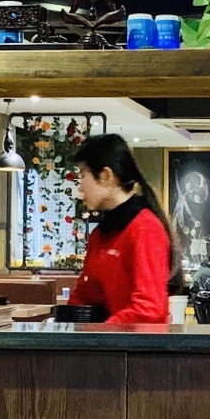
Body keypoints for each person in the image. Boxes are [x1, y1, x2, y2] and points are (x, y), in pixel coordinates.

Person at [68, 133, 180, 326]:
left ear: (106, 176)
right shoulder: (101, 234)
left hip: (136, 344)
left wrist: (101, 333)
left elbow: (149, 309)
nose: (80, 188)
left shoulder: (144, 228)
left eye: (83, 175)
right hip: (112, 341)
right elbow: (85, 296)